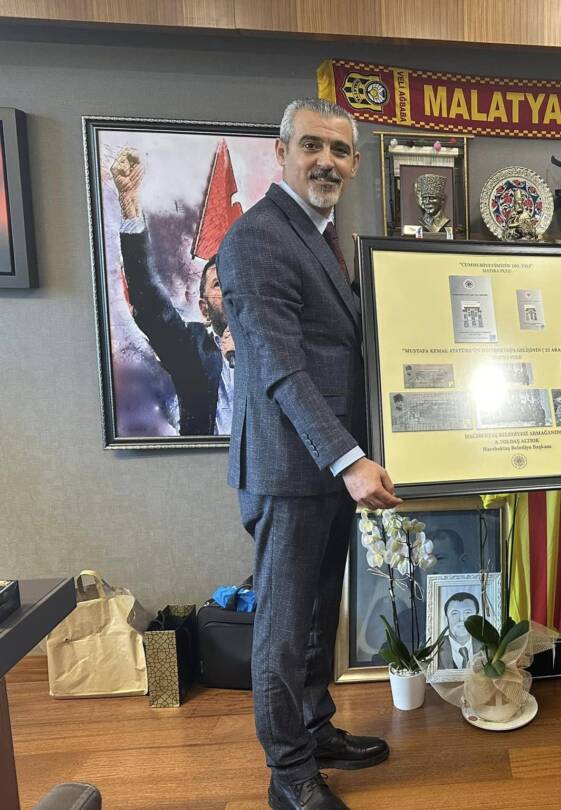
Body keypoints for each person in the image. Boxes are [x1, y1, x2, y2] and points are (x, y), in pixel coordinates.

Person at [218, 98, 401, 810]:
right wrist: (349, 460)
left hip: (328, 469)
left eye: (340, 150)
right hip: (294, 470)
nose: (327, 161)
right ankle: (289, 773)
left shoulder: (319, 237)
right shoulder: (258, 238)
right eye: (312, 146)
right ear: (282, 152)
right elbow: (281, 367)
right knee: (285, 627)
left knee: (321, 614)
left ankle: (315, 729)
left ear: (353, 164)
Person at [111, 146, 234, 436]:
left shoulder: (275, 345)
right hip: (201, 460)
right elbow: (150, 303)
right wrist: (129, 201)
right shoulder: (192, 348)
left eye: (238, 282)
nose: (232, 290)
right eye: (219, 284)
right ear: (204, 310)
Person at [436, 591, 480, 669]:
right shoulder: (435, 649)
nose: (461, 619)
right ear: (446, 620)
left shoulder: (487, 647)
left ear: (478, 618)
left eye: (467, 612)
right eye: (455, 613)